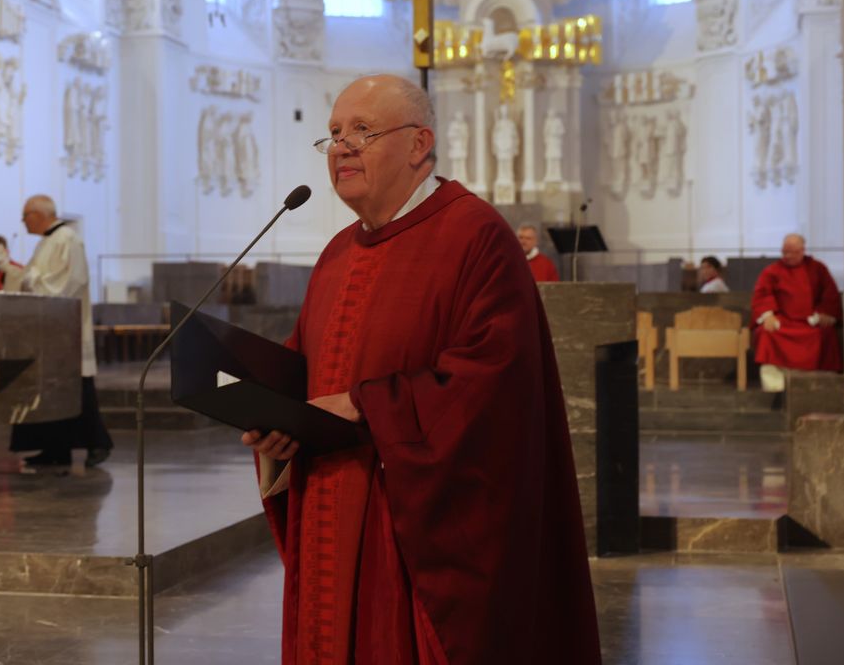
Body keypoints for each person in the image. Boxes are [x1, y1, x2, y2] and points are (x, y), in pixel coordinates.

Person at [242, 74, 599, 663]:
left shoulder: (475, 235)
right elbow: (305, 377)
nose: (342, 147)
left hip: (416, 530)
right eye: (333, 134)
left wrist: (363, 404)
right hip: (329, 514)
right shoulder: (335, 255)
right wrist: (276, 425)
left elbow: (495, 382)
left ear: (418, 144)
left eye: (362, 130)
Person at [11, 195, 112, 472]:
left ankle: (98, 443)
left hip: (68, 332)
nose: (23, 221)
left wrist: (32, 281)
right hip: (48, 332)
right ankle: (56, 449)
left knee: (77, 390)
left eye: (25, 216)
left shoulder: (67, 239)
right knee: (50, 390)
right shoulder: (47, 241)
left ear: (38, 214)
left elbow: (71, 281)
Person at [752, 233, 842, 391]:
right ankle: (775, 385)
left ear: (802, 251)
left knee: (826, 333)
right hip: (783, 321)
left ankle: (824, 384)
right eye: (784, 252)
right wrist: (768, 314)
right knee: (766, 333)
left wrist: (826, 313)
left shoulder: (817, 269)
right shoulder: (772, 271)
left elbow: (830, 293)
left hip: (811, 322)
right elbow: (762, 294)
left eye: (791, 252)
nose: (787, 256)